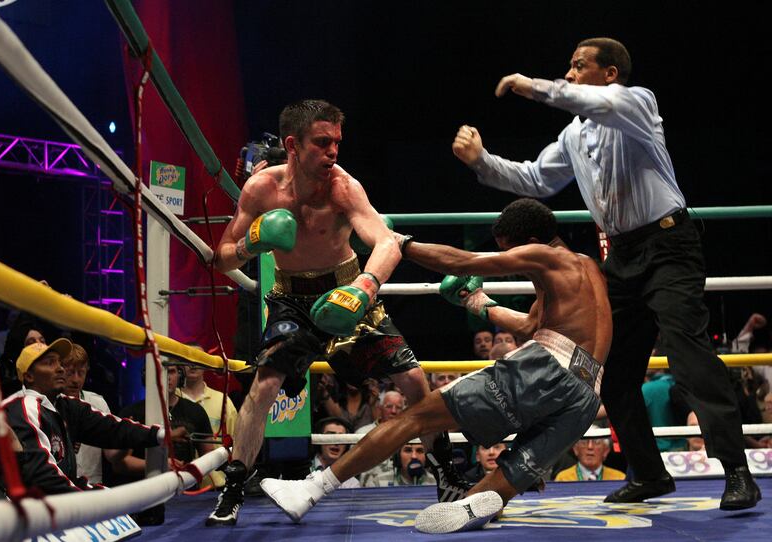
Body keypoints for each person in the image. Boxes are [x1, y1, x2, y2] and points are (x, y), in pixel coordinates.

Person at [450, 37, 759, 510]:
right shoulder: (575, 135)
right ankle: (650, 474)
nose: (569, 74)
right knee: (609, 371)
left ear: (609, 73)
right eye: (567, 68)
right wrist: (481, 162)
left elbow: (589, 100)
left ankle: (737, 471)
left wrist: (533, 87)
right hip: (621, 257)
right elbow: (537, 179)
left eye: (579, 66)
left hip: (669, 246)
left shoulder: (636, 103)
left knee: (688, 355)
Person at [260, 198, 611, 533]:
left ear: (533, 242)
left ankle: (311, 490)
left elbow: (462, 262)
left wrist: (398, 243)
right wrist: (477, 302)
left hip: (549, 366)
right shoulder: (586, 268)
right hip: (586, 393)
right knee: (486, 495)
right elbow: (529, 326)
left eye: (510, 249)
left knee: (417, 417)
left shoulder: (544, 255)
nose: (509, 257)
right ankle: (482, 502)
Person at [206, 99, 467, 526]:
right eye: (322, 143)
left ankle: (449, 475)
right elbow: (222, 258)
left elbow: (385, 242)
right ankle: (234, 486)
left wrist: (365, 287)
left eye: (337, 143)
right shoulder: (262, 190)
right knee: (265, 382)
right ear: (292, 144)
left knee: (414, 378)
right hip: (291, 299)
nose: (333, 152)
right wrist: (253, 241)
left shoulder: (344, 187)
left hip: (347, 291)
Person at [2, 339, 184, 494]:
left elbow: (110, 428)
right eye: (50, 363)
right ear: (29, 376)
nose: (60, 369)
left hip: (58, 499)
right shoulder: (23, 408)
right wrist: (89, 497)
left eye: (59, 363)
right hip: (28, 512)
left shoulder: (63, 404)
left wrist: (159, 435)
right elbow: (40, 473)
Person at [61, 343, 112, 484]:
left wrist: (128, 442)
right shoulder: (46, 405)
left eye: (81, 372)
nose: (76, 380)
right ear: (59, 371)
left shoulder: (98, 403)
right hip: (59, 487)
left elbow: (111, 454)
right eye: (70, 372)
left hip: (92, 486)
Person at [309, 417, 360, 488]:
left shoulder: (352, 483)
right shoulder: (303, 470)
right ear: (319, 440)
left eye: (341, 438)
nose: (336, 442)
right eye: (330, 436)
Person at [555, 438, 626, 481]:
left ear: (606, 450)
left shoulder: (619, 478)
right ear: (575, 449)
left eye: (597, 442)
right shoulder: (563, 478)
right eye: (584, 443)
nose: (590, 447)